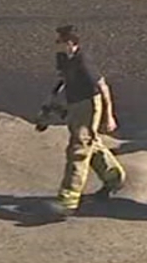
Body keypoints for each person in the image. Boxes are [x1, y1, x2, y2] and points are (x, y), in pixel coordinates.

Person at [49, 25, 126, 217]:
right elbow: (63, 80)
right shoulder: (62, 58)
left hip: (89, 104)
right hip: (74, 102)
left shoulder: (84, 62)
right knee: (91, 143)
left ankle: (68, 200)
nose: (55, 44)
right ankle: (114, 177)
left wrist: (109, 115)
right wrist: (52, 103)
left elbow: (103, 87)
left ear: (70, 43)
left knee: (79, 149)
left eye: (59, 41)